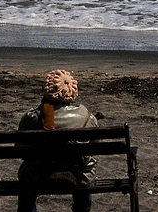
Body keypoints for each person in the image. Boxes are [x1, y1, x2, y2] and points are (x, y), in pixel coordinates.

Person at [17, 69, 98, 212]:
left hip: (38, 175)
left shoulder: (32, 117)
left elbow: (21, 150)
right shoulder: (87, 117)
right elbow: (93, 148)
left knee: (28, 171)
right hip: (78, 176)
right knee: (87, 169)